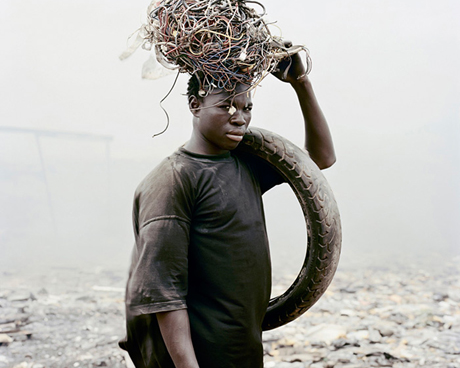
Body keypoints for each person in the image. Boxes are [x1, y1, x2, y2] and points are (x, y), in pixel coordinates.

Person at [119, 49, 335, 368]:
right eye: (226, 106)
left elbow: (319, 159)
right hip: (193, 356)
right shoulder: (173, 181)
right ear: (195, 105)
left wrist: (300, 83)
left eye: (247, 107)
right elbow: (164, 294)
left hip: (239, 346)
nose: (240, 117)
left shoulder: (245, 165)